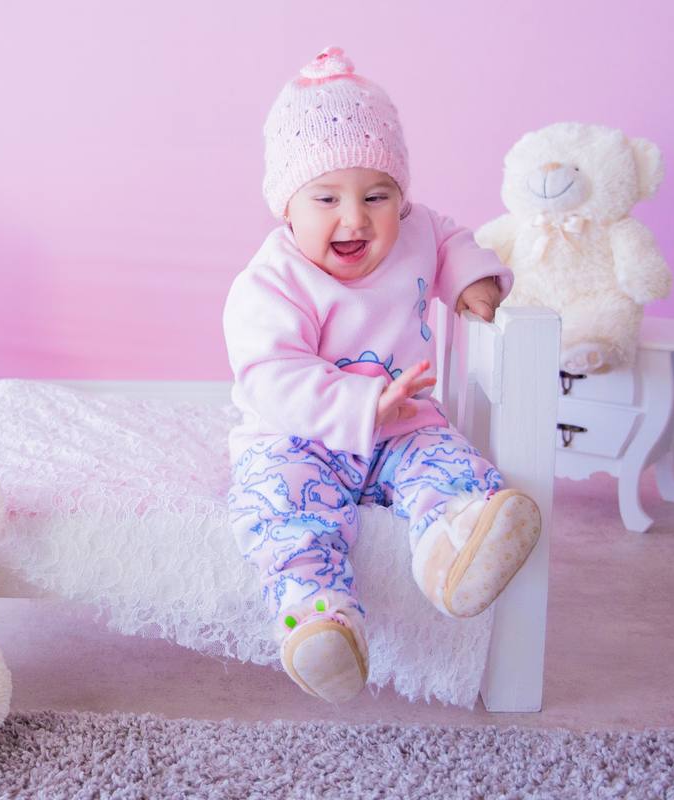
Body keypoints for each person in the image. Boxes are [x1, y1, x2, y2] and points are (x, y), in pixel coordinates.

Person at [224, 47, 541, 703]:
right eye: (326, 198)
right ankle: (318, 619)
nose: (355, 218)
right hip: (300, 438)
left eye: (377, 196)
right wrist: (365, 403)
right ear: (287, 207)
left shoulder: (416, 230)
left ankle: (454, 545)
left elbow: (450, 238)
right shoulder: (272, 280)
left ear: (402, 196)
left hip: (406, 428)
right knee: (279, 506)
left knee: (447, 462)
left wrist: (473, 279)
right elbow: (270, 374)